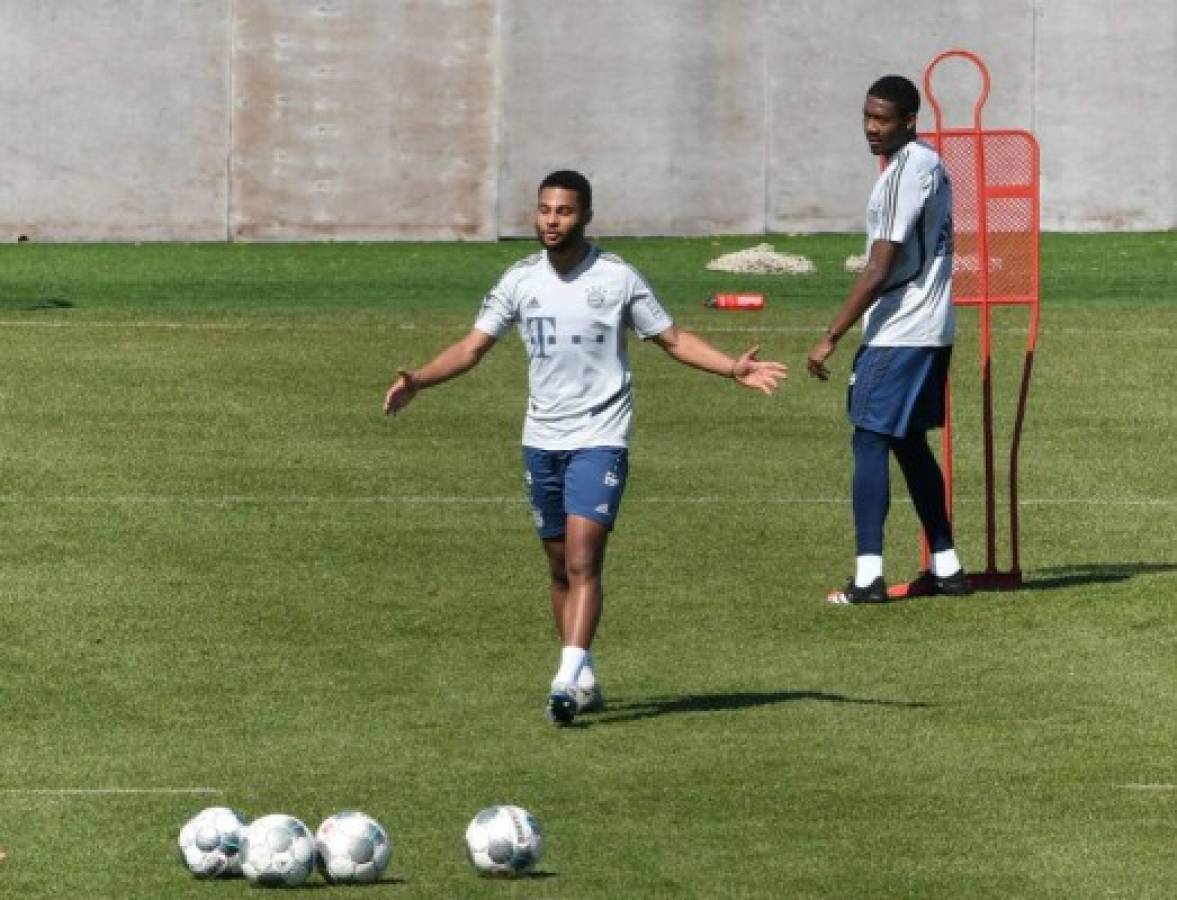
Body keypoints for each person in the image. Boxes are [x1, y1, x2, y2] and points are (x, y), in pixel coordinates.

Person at [384, 169, 788, 723]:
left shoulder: (617, 278)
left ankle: (563, 679)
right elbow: (473, 347)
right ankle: (585, 672)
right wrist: (419, 381)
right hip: (541, 440)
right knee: (557, 568)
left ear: (586, 216)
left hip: (601, 437)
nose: (552, 220)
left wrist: (729, 368)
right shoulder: (520, 280)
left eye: (565, 211)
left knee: (582, 561)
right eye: (545, 210)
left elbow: (671, 338)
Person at [806, 75, 970, 604]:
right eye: (867, 117)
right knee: (906, 441)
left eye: (883, 119)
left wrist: (831, 336)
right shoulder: (926, 164)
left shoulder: (906, 172)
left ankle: (868, 577)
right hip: (932, 327)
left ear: (908, 121)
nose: (871, 128)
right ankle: (946, 565)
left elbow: (880, 266)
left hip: (902, 329)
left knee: (869, 438)